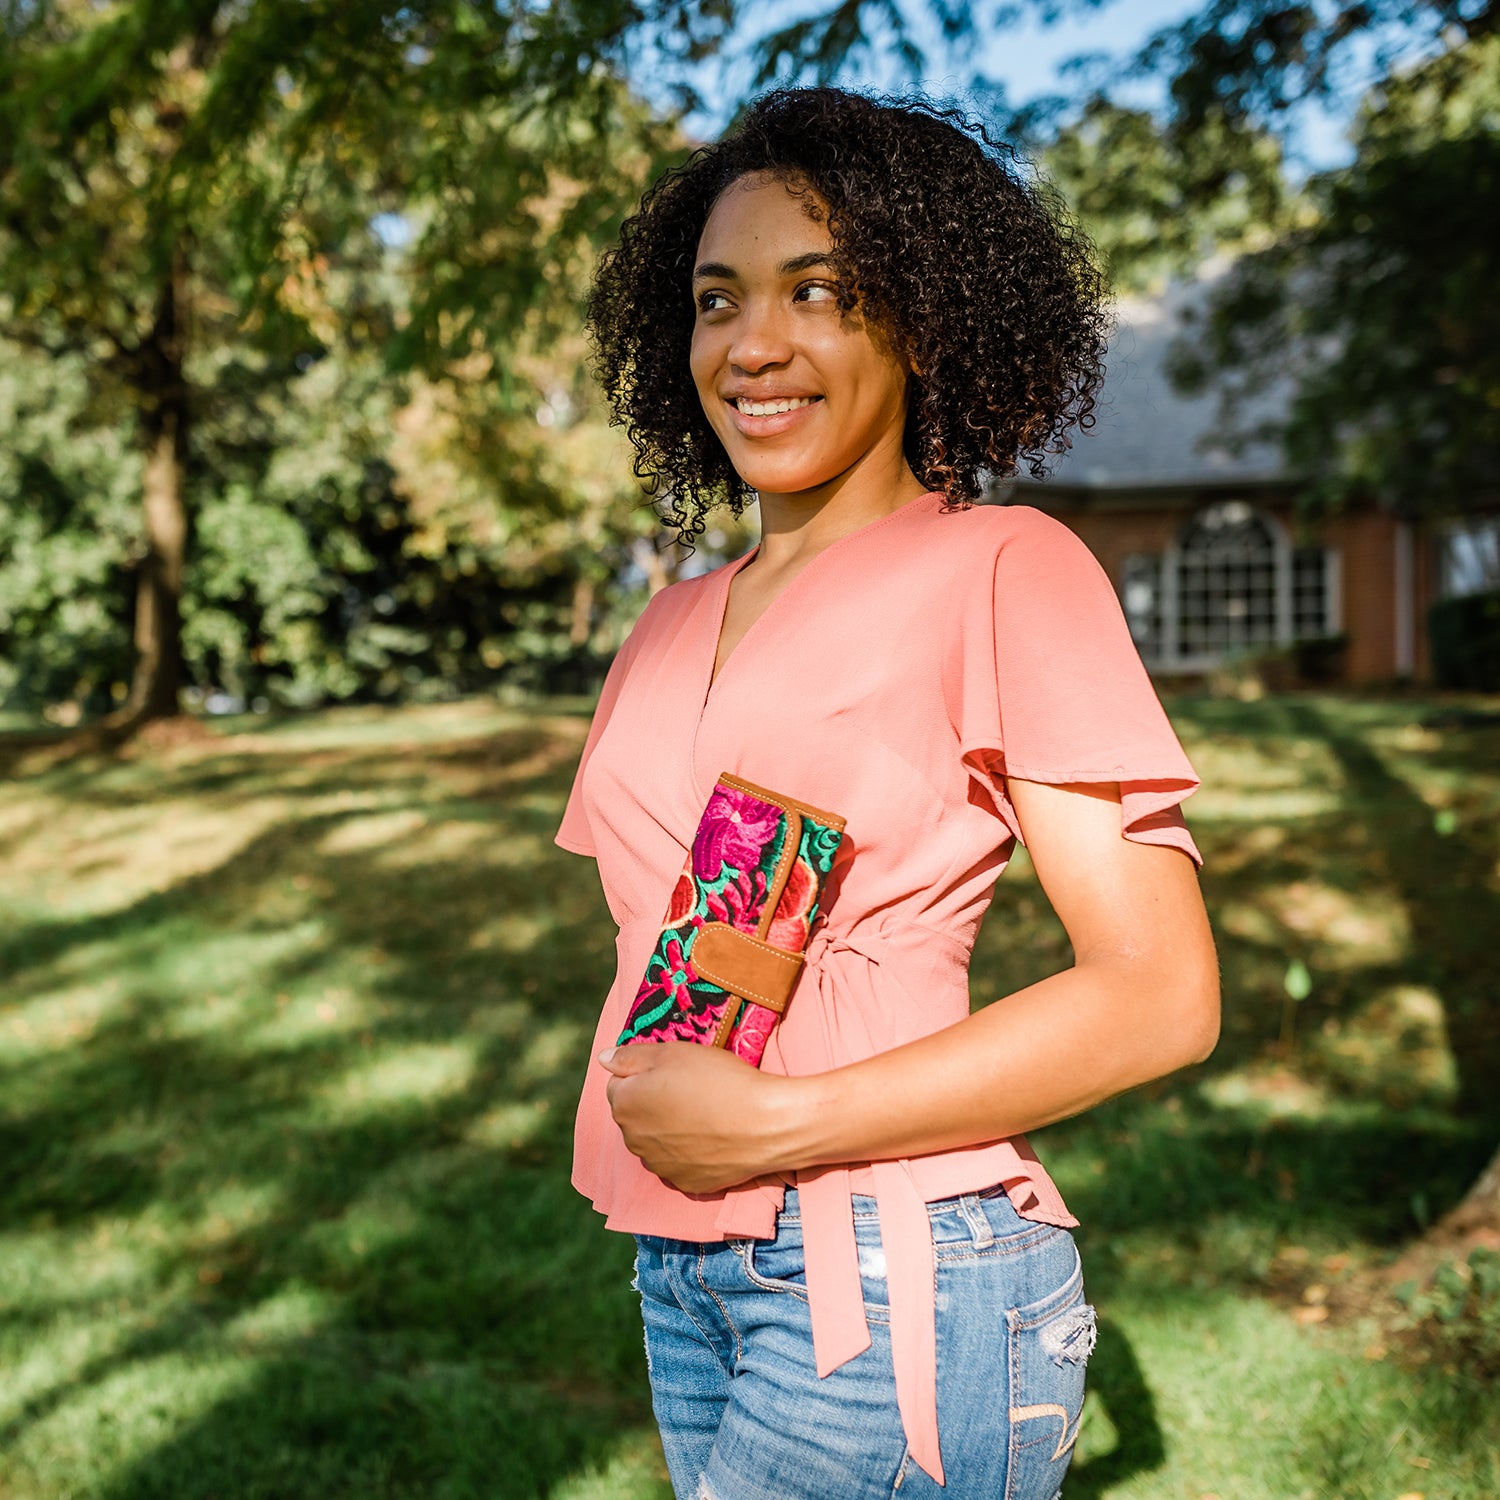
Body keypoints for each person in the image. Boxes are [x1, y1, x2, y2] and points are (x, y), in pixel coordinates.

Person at [554, 86, 1220, 1500]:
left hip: (883, 1268)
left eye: (820, 291)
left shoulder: (1001, 567)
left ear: (920, 321)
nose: (756, 344)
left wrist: (781, 1125)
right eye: (717, 299)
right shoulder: (667, 621)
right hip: (680, 1270)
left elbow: (1161, 992)